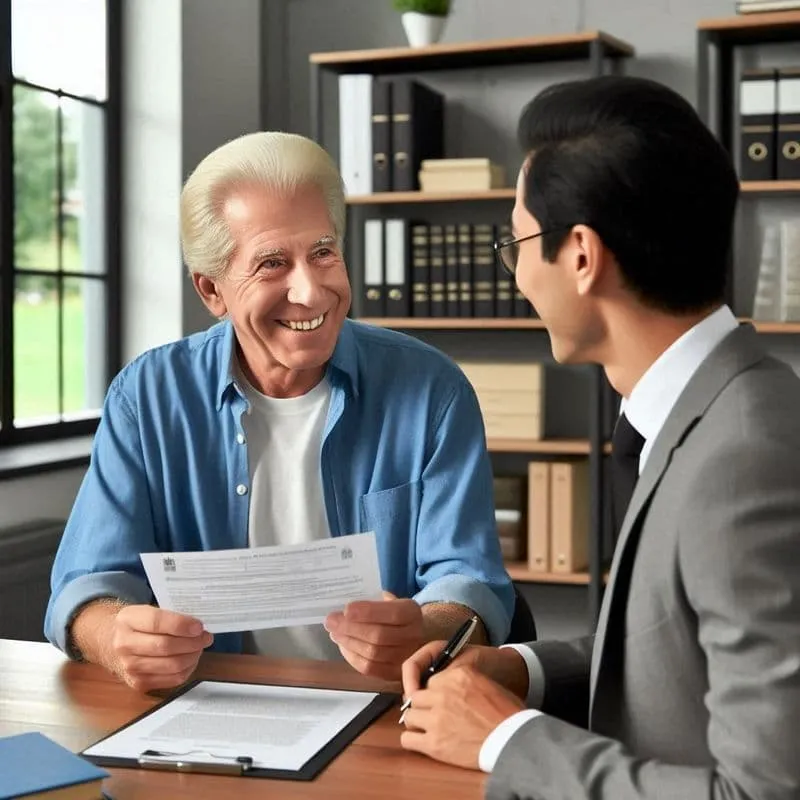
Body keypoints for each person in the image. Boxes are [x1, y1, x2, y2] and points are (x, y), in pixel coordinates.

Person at [399, 75, 800, 799]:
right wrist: (522, 671)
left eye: (516, 240)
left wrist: (506, 738)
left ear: (581, 255)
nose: (517, 273)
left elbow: (763, 793)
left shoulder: (743, 459)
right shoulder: (708, 412)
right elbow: (675, 649)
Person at [45, 131, 514, 692]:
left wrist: (424, 627)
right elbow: (84, 585)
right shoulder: (146, 398)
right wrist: (118, 637)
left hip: (387, 710)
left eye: (323, 253)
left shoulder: (433, 389)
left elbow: (470, 584)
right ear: (212, 291)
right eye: (272, 263)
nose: (311, 291)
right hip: (207, 710)